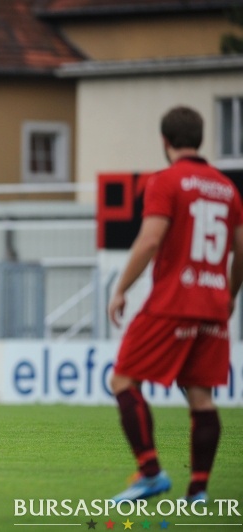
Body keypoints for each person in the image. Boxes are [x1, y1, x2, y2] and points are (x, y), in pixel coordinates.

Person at [107, 106, 243, 503]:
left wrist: (121, 288)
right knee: (201, 397)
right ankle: (198, 491)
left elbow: (150, 239)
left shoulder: (166, 181)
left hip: (173, 301)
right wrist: (230, 296)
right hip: (213, 304)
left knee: (123, 380)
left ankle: (150, 473)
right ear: (201, 139)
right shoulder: (228, 189)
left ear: (164, 141)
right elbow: (241, 250)